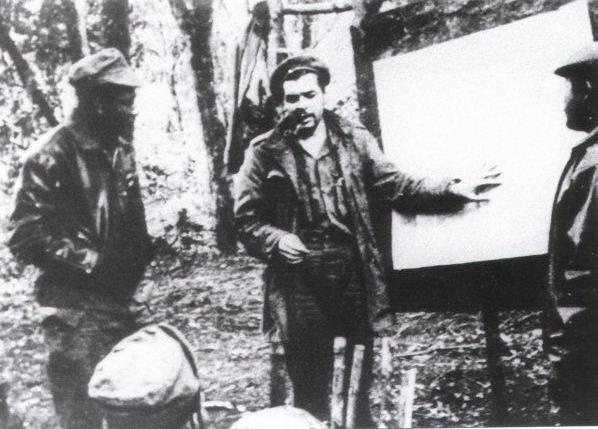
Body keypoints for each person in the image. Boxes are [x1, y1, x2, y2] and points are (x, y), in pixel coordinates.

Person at [234, 55, 501, 426]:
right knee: (310, 384)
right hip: (298, 281)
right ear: (281, 104)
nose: (302, 106)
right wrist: (276, 239)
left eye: (309, 95)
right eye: (292, 98)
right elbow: (245, 221)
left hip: (352, 274)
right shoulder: (264, 151)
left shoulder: (354, 139)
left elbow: (397, 184)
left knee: (357, 377)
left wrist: (451, 188)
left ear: (323, 95)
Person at [7, 48, 154, 429]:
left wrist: (137, 261)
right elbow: (26, 237)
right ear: (99, 103)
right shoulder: (49, 155)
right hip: (75, 311)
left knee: (137, 406)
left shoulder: (118, 147)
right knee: (83, 416)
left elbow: (128, 220)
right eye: (125, 102)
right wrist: (95, 262)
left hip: (121, 300)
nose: (132, 111)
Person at [546, 43, 598, 425]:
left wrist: (566, 367)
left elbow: (581, 279)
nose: (564, 101)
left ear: (588, 91)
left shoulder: (592, 165)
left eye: (569, 88)